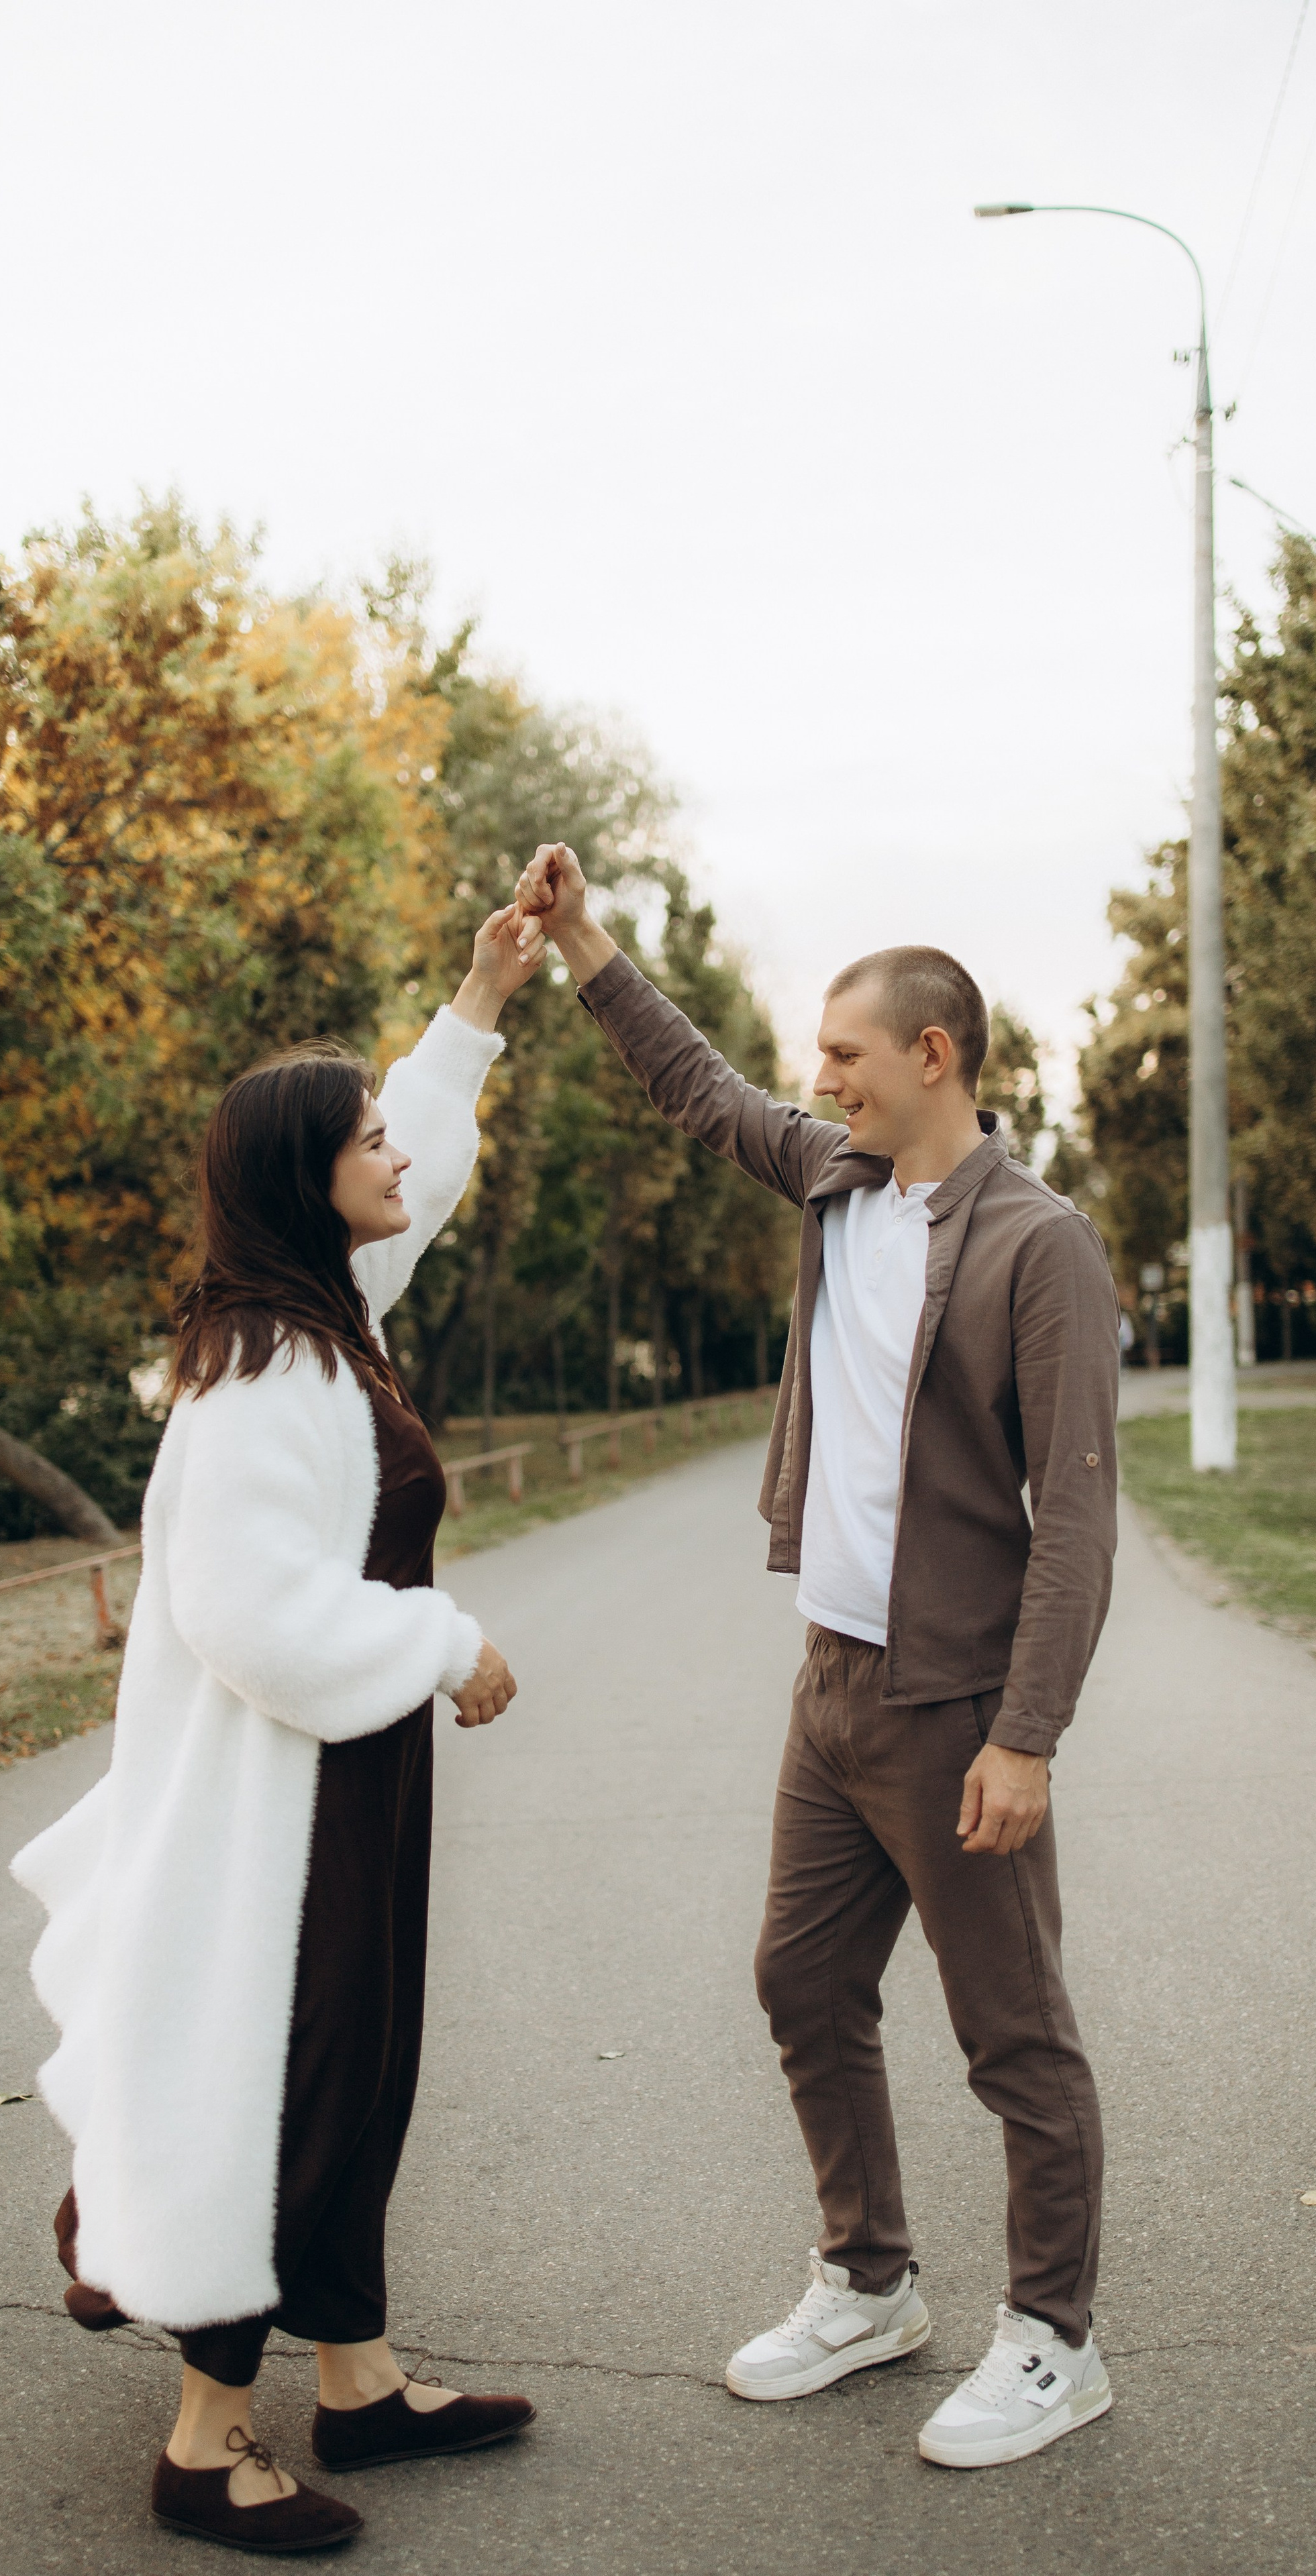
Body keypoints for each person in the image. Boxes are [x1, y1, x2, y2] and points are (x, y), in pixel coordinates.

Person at [513, 843, 1119, 2473]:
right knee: (799, 1979)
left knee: (1014, 2036)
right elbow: (699, 1089)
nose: (816, 1078)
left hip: (951, 1707)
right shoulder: (836, 1183)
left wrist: (1026, 1733)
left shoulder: (1033, 1246)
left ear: (932, 1056)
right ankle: (869, 2283)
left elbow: (1072, 1518)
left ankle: (1055, 2341)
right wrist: (581, 946)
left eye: (842, 1054)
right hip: (831, 1687)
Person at [12, 908, 544, 2555]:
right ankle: (205, 2440)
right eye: (364, 1140)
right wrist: (442, 1641)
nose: (394, 1154)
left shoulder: (324, 1314)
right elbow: (248, 1618)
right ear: (302, 1178)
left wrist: (472, 1007)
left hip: (344, 1779)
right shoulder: (257, 1379)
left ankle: (362, 2384)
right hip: (280, 1806)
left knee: (359, 2068)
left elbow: (426, 1183)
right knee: (293, 2085)